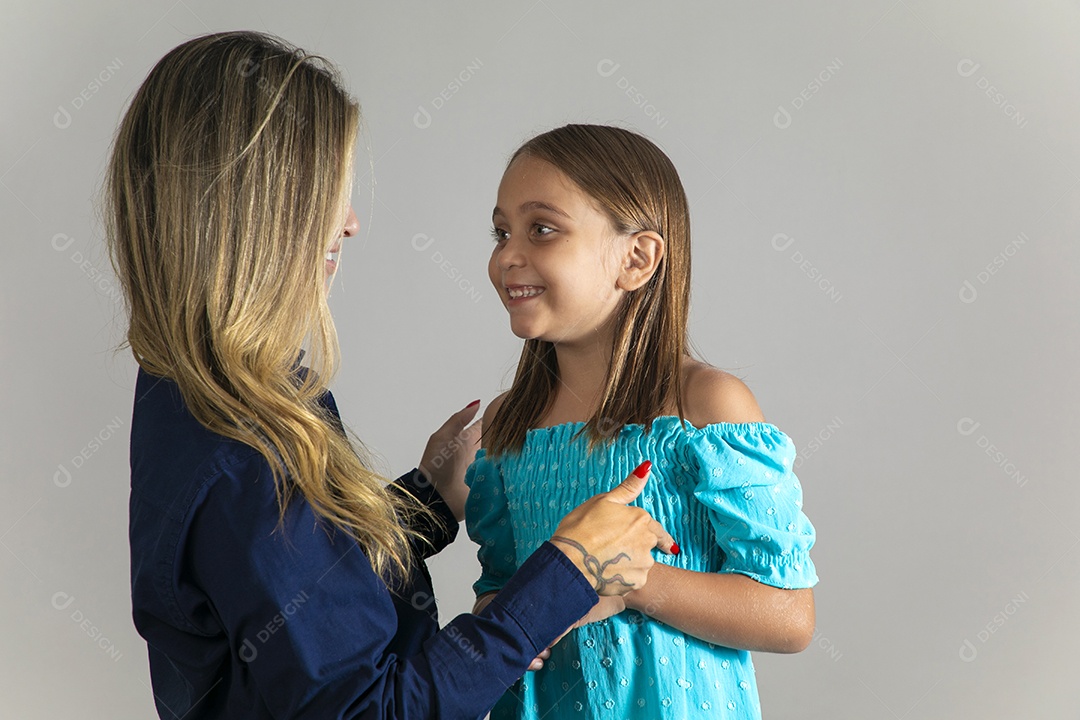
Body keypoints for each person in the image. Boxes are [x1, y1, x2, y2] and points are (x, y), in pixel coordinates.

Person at [107, 33, 674, 720]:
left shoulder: (204, 391)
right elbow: (367, 709)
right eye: (327, 194)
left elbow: (300, 599)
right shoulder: (246, 445)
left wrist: (428, 501)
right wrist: (562, 580)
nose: (348, 223)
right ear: (255, 209)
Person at [465, 124, 819, 719]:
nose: (507, 255)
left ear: (637, 258)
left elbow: (789, 617)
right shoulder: (508, 428)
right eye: (502, 232)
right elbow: (497, 592)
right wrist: (506, 623)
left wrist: (632, 580)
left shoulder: (706, 408)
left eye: (542, 229)